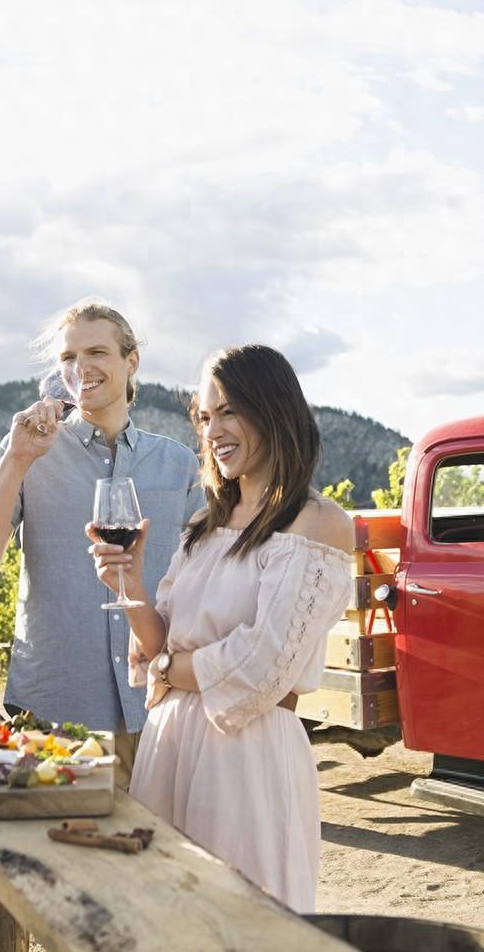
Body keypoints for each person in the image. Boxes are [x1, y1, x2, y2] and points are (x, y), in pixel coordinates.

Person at [88, 345, 354, 909]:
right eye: (205, 418)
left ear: (273, 409)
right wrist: (131, 587)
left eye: (229, 411)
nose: (214, 431)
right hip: (168, 746)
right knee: (167, 926)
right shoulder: (202, 525)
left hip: (246, 756)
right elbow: (160, 640)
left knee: (243, 932)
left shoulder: (319, 524)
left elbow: (262, 671)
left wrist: (164, 668)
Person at [0, 299, 200, 777]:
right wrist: (17, 461)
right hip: (53, 715)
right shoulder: (28, 451)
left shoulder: (179, 465)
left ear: (131, 362)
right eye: (68, 358)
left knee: (158, 851)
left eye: (96, 352)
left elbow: (205, 580)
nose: (80, 368)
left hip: (156, 714)